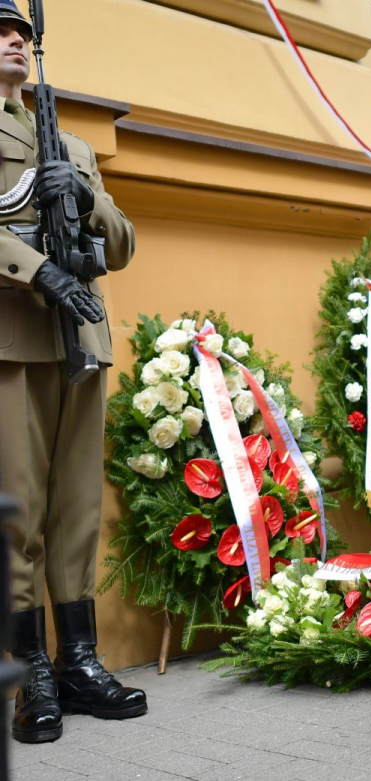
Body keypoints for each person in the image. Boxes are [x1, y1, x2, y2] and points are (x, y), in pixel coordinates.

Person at [0, 1, 146, 743]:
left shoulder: (74, 145)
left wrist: (84, 197)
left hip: (78, 338)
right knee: (18, 508)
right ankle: (31, 678)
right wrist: (38, 272)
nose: (15, 41)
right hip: (11, 340)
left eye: (20, 32)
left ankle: (79, 660)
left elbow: (120, 244)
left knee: (77, 510)